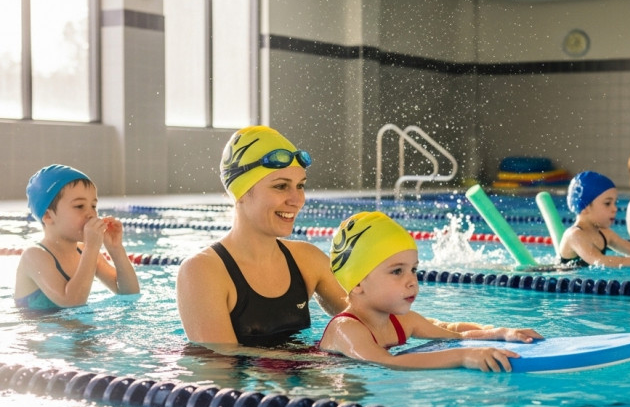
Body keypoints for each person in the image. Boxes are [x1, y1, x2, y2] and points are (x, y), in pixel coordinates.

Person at [176, 126, 348, 348]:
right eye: (281, 186)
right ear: (241, 193)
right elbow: (220, 368)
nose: (297, 200)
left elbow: (364, 322)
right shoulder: (202, 271)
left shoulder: (307, 259)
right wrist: (312, 361)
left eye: (300, 186)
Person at [318, 211, 543, 372]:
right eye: (397, 271)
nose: (412, 281)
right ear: (357, 282)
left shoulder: (401, 321)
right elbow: (388, 362)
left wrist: (501, 332)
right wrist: (463, 356)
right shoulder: (345, 329)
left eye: (413, 269)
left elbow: (454, 334)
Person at [14, 164, 140, 310]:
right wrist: (92, 247)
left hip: (69, 328)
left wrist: (116, 248)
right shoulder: (34, 256)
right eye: (79, 206)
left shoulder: (84, 252)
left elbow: (129, 293)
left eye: (93, 206)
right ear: (48, 216)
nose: (91, 214)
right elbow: (72, 302)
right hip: (40, 330)